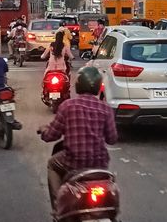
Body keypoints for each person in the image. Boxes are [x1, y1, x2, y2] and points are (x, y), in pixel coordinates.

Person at [39, 64, 117, 210]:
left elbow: (51, 135)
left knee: (52, 164)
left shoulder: (67, 106)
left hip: (72, 162)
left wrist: (44, 131)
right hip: (100, 165)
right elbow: (112, 139)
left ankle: (58, 206)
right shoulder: (105, 109)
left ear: (78, 85)